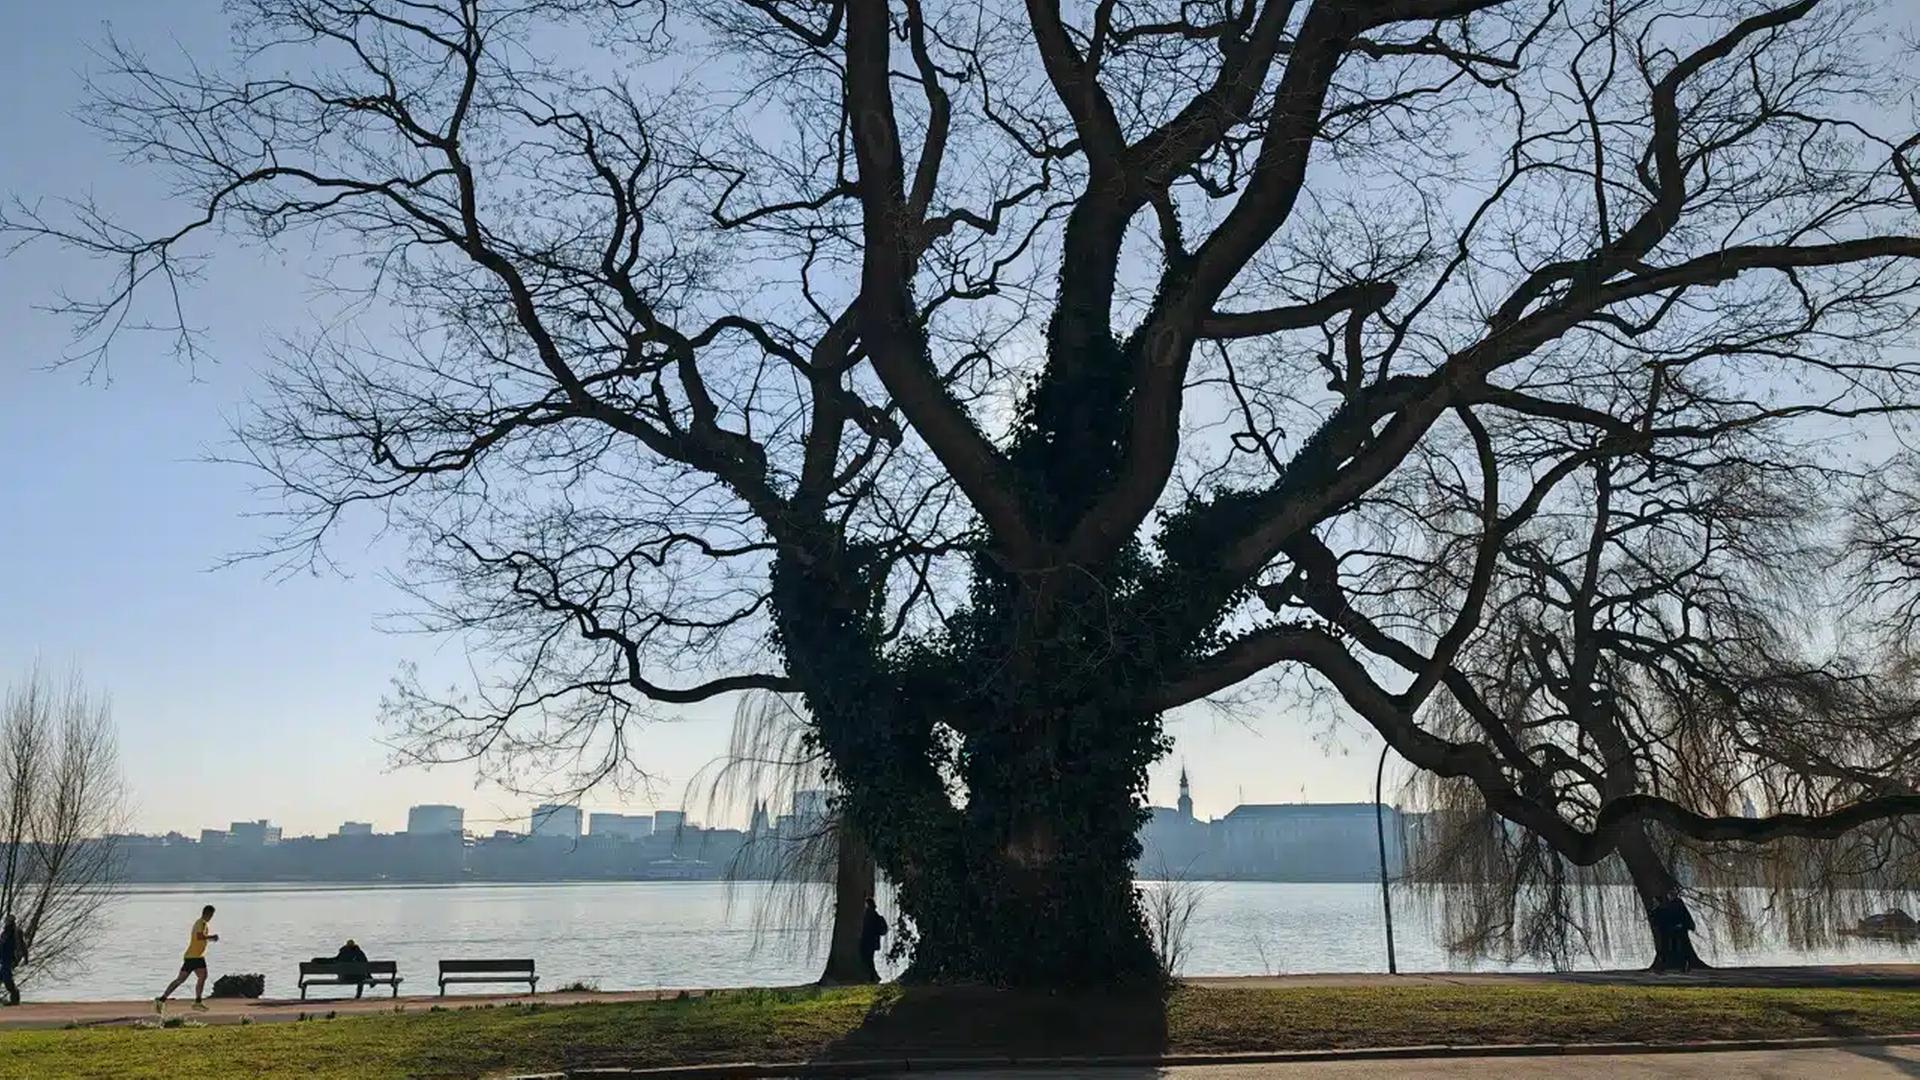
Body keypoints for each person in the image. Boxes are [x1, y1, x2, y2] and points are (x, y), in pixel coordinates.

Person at [156, 905, 219, 1012]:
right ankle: (197, 1002)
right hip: (194, 957)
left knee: (183, 979)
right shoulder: (201, 923)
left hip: (193, 956)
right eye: (211, 915)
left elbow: (199, 938)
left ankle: (162, 1000)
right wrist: (212, 937)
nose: (211, 917)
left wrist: (209, 939)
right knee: (199, 977)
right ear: (208, 913)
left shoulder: (201, 923)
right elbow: (199, 936)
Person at [1650, 889, 1699, 972]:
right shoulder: (1677, 905)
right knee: (1679, 947)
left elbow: (1671, 917)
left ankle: (1677, 964)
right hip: (1677, 929)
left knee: (1677, 947)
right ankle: (1680, 964)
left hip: (1676, 929)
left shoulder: (1672, 906)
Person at [859, 896, 888, 982]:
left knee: (868, 959)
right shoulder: (875, 915)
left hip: (867, 941)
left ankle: (872, 977)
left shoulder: (869, 915)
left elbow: (866, 928)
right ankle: (873, 977)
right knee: (869, 959)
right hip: (873, 941)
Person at [1, 912, 21, 1006]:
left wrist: (22, 957)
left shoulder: (16, 932)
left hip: (10, 958)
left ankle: (15, 997)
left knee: (7, 978)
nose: (7, 922)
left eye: (9, 921)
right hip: (3, 958)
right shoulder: (4, 933)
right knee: (2, 976)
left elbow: (21, 945)